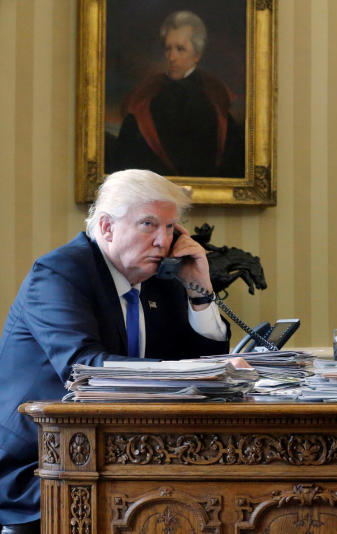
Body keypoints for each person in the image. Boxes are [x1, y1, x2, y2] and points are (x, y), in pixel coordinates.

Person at [0, 170, 236, 533]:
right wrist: (184, 374)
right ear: (107, 228)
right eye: (148, 224)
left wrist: (200, 291)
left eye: (171, 227)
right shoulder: (60, 272)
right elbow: (86, 370)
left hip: (125, 456)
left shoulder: (163, 282)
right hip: (40, 465)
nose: (163, 240)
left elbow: (204, 362)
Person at [111, 10, 244, 178]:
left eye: (180, 49)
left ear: (197, 55)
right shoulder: (146, 95)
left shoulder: (215, 96)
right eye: (168, 49)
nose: (171, 57)